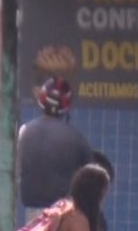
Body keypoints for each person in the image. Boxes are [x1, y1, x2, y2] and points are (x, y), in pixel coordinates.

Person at [17, 76, 94, 215]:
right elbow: (92, 174)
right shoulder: (77, 138)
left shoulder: (24, 131)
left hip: (32, 214)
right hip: (63, 215)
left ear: (42, 99)